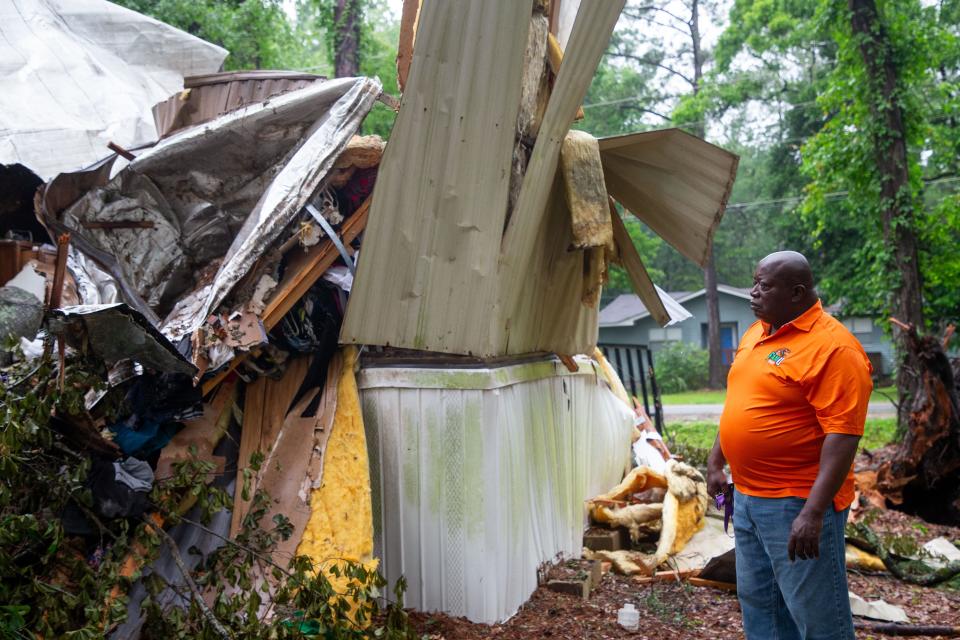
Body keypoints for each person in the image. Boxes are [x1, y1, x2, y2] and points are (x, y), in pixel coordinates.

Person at [706, 251, 873, 640]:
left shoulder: (834, 349)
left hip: (795, 503)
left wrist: (813, 513)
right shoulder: (757, 333)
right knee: (762, 605)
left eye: (764, 286)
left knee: (817, 618)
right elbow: (739, 401)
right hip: (747, 498)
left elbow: (843, 435)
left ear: (797, 293)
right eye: (754, 282)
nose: (753, 293)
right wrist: (717, 461)